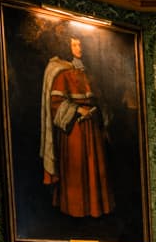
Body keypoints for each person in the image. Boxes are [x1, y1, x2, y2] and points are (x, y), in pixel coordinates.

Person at [40, 36, 112, 218]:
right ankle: (75, 210)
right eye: (74, 44)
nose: (79, 47)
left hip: (92, 129)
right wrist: (78, 109)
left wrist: (100, 111)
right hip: (74, 131)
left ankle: (94, 209)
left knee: (95, 168)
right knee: (76, 168)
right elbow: (55, 103)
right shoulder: (61, 72)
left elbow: (99, 97)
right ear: (66, 46)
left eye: (80, 44)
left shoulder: (88, 72)